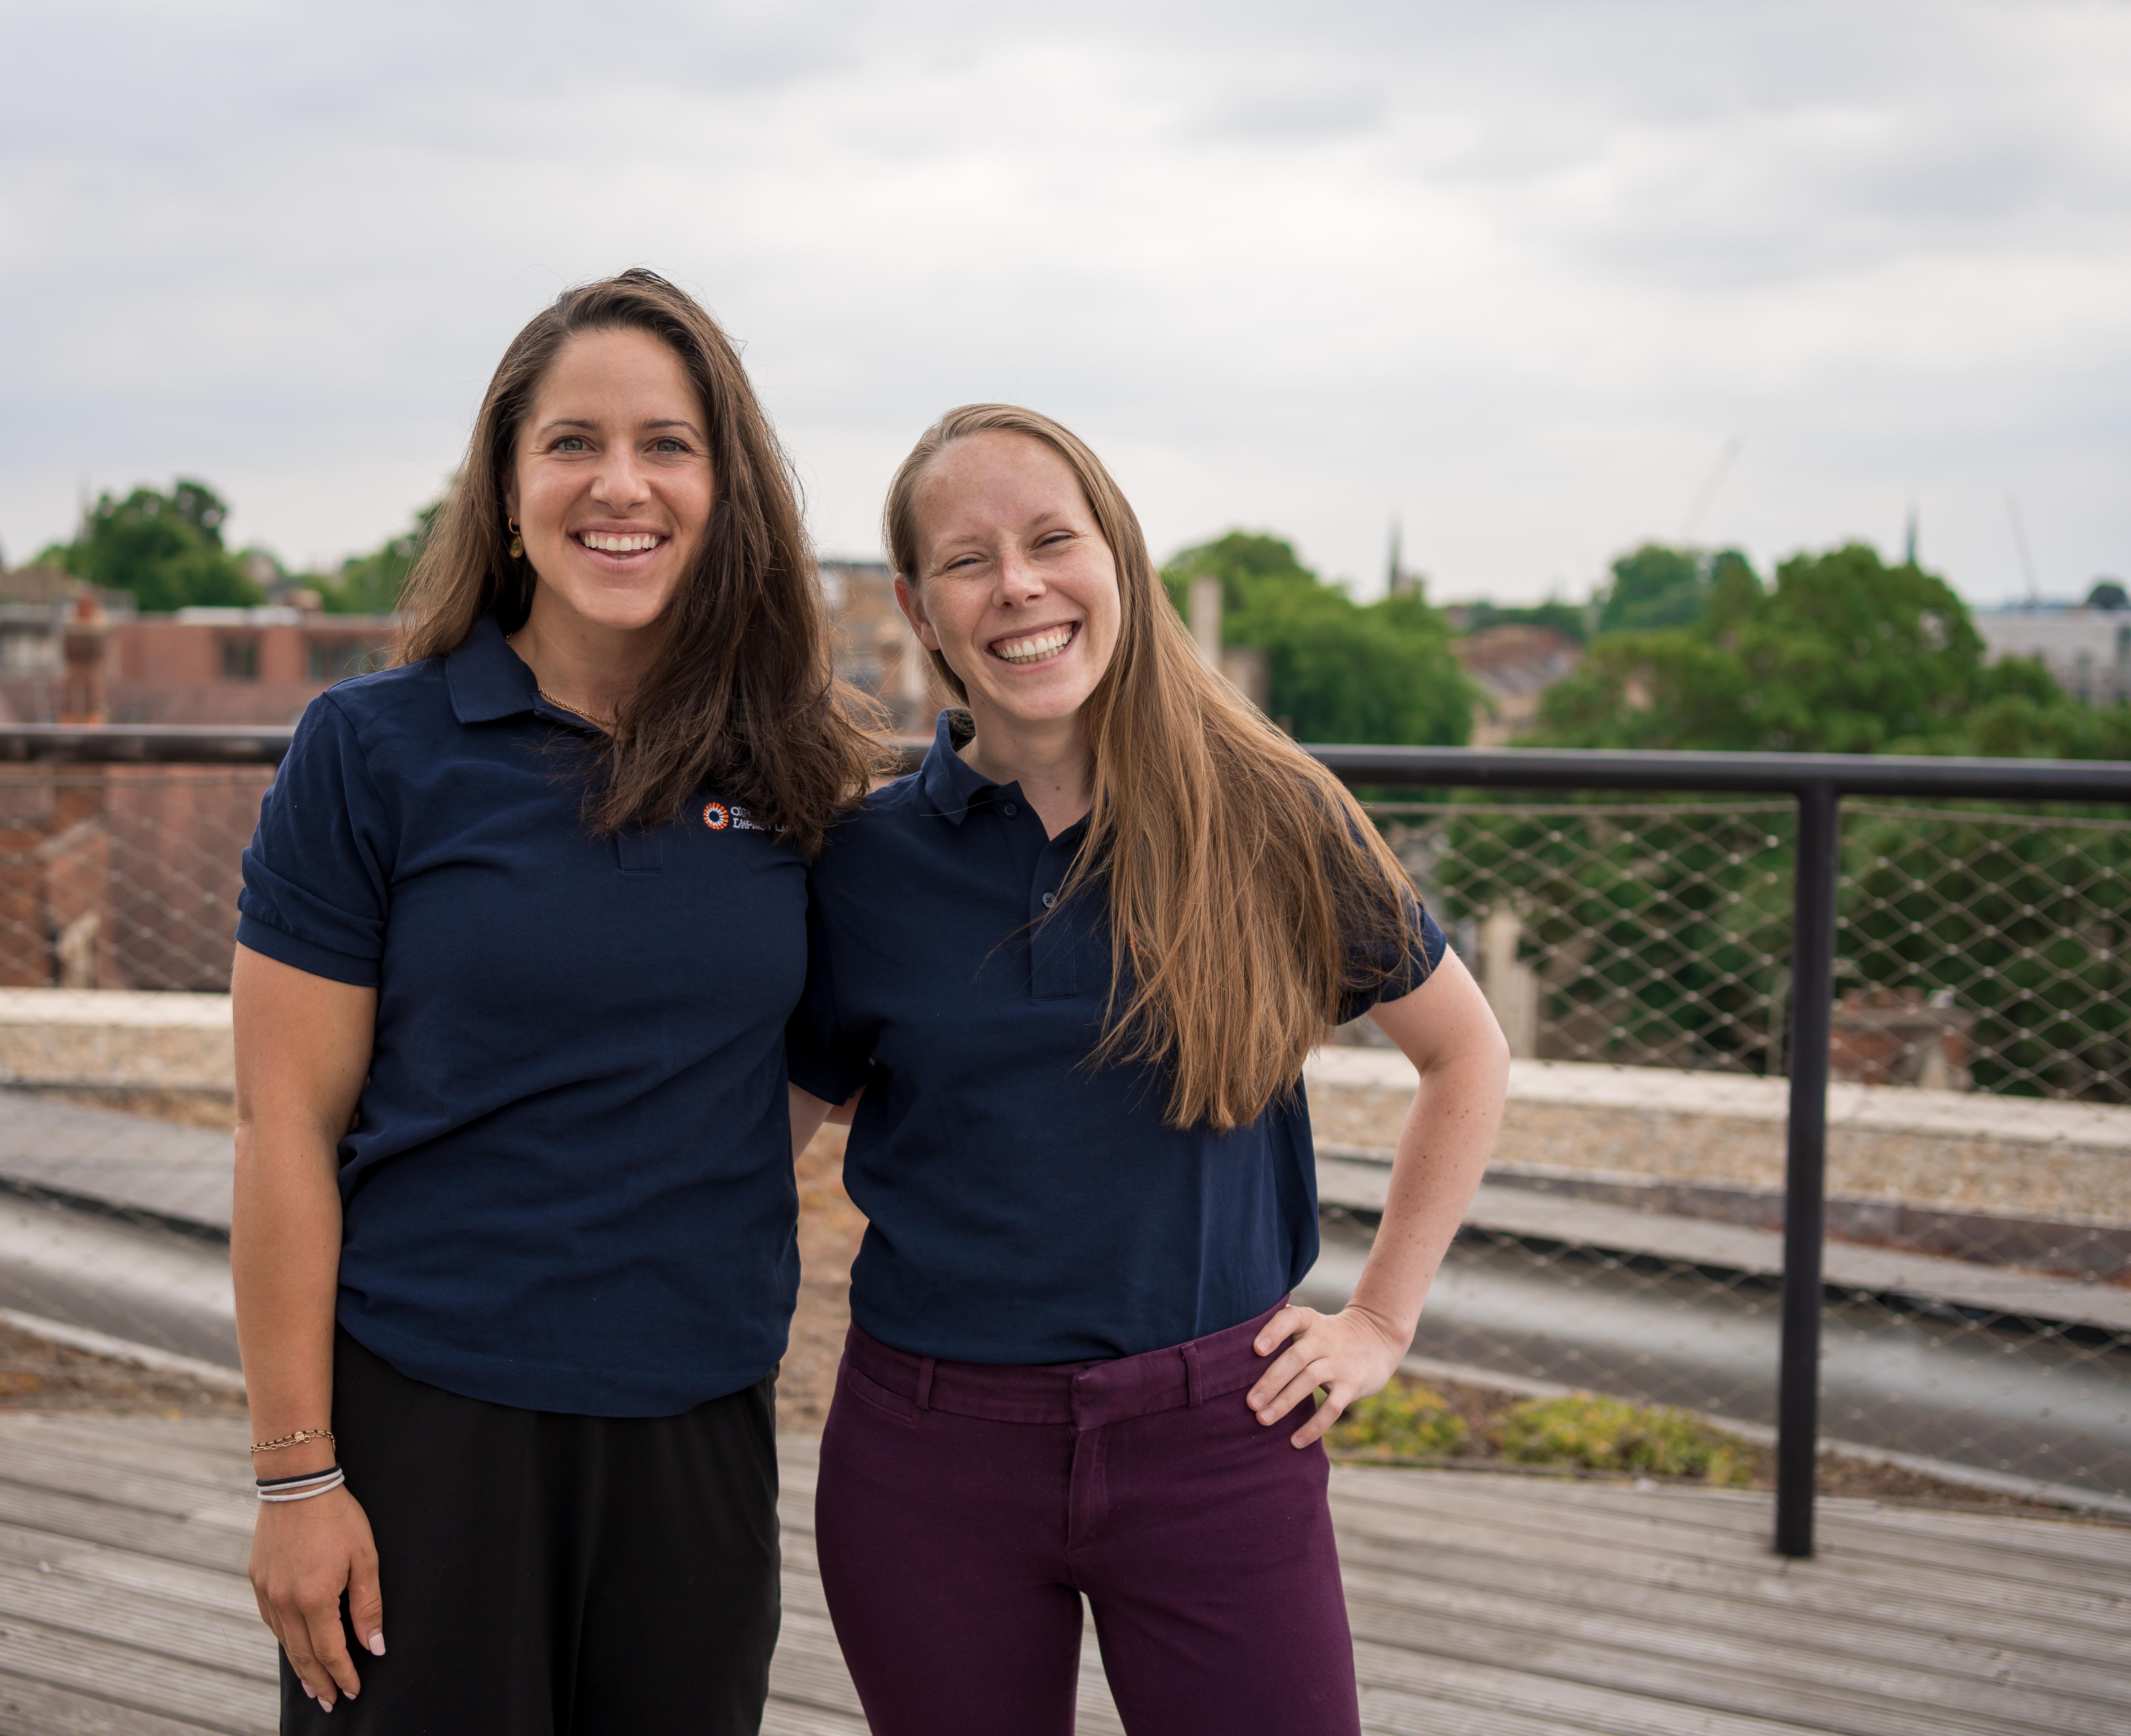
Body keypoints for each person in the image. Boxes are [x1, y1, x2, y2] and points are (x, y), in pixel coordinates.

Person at [783, 405, 1509, 1735]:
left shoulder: (1273, 813)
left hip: (1220, 1440)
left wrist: (1381, 1325)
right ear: (917, 607)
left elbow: (1466, 1057)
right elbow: (763, 1137)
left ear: (1117, 557)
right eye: (968, 559)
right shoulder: (863, 864)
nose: (1019, 585)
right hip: (930, 1456)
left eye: (1054, 540)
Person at [231, 269, 881, 1733]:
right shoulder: (372, 751)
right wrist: (295, 1476)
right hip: (424, 1425)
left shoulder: (795, 770)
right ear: (507, 483)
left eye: (668, 443)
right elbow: (283, 1124)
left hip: (697, 1431)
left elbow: (812, 1064)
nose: (620, 484)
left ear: (727, 489)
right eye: (573, 441)